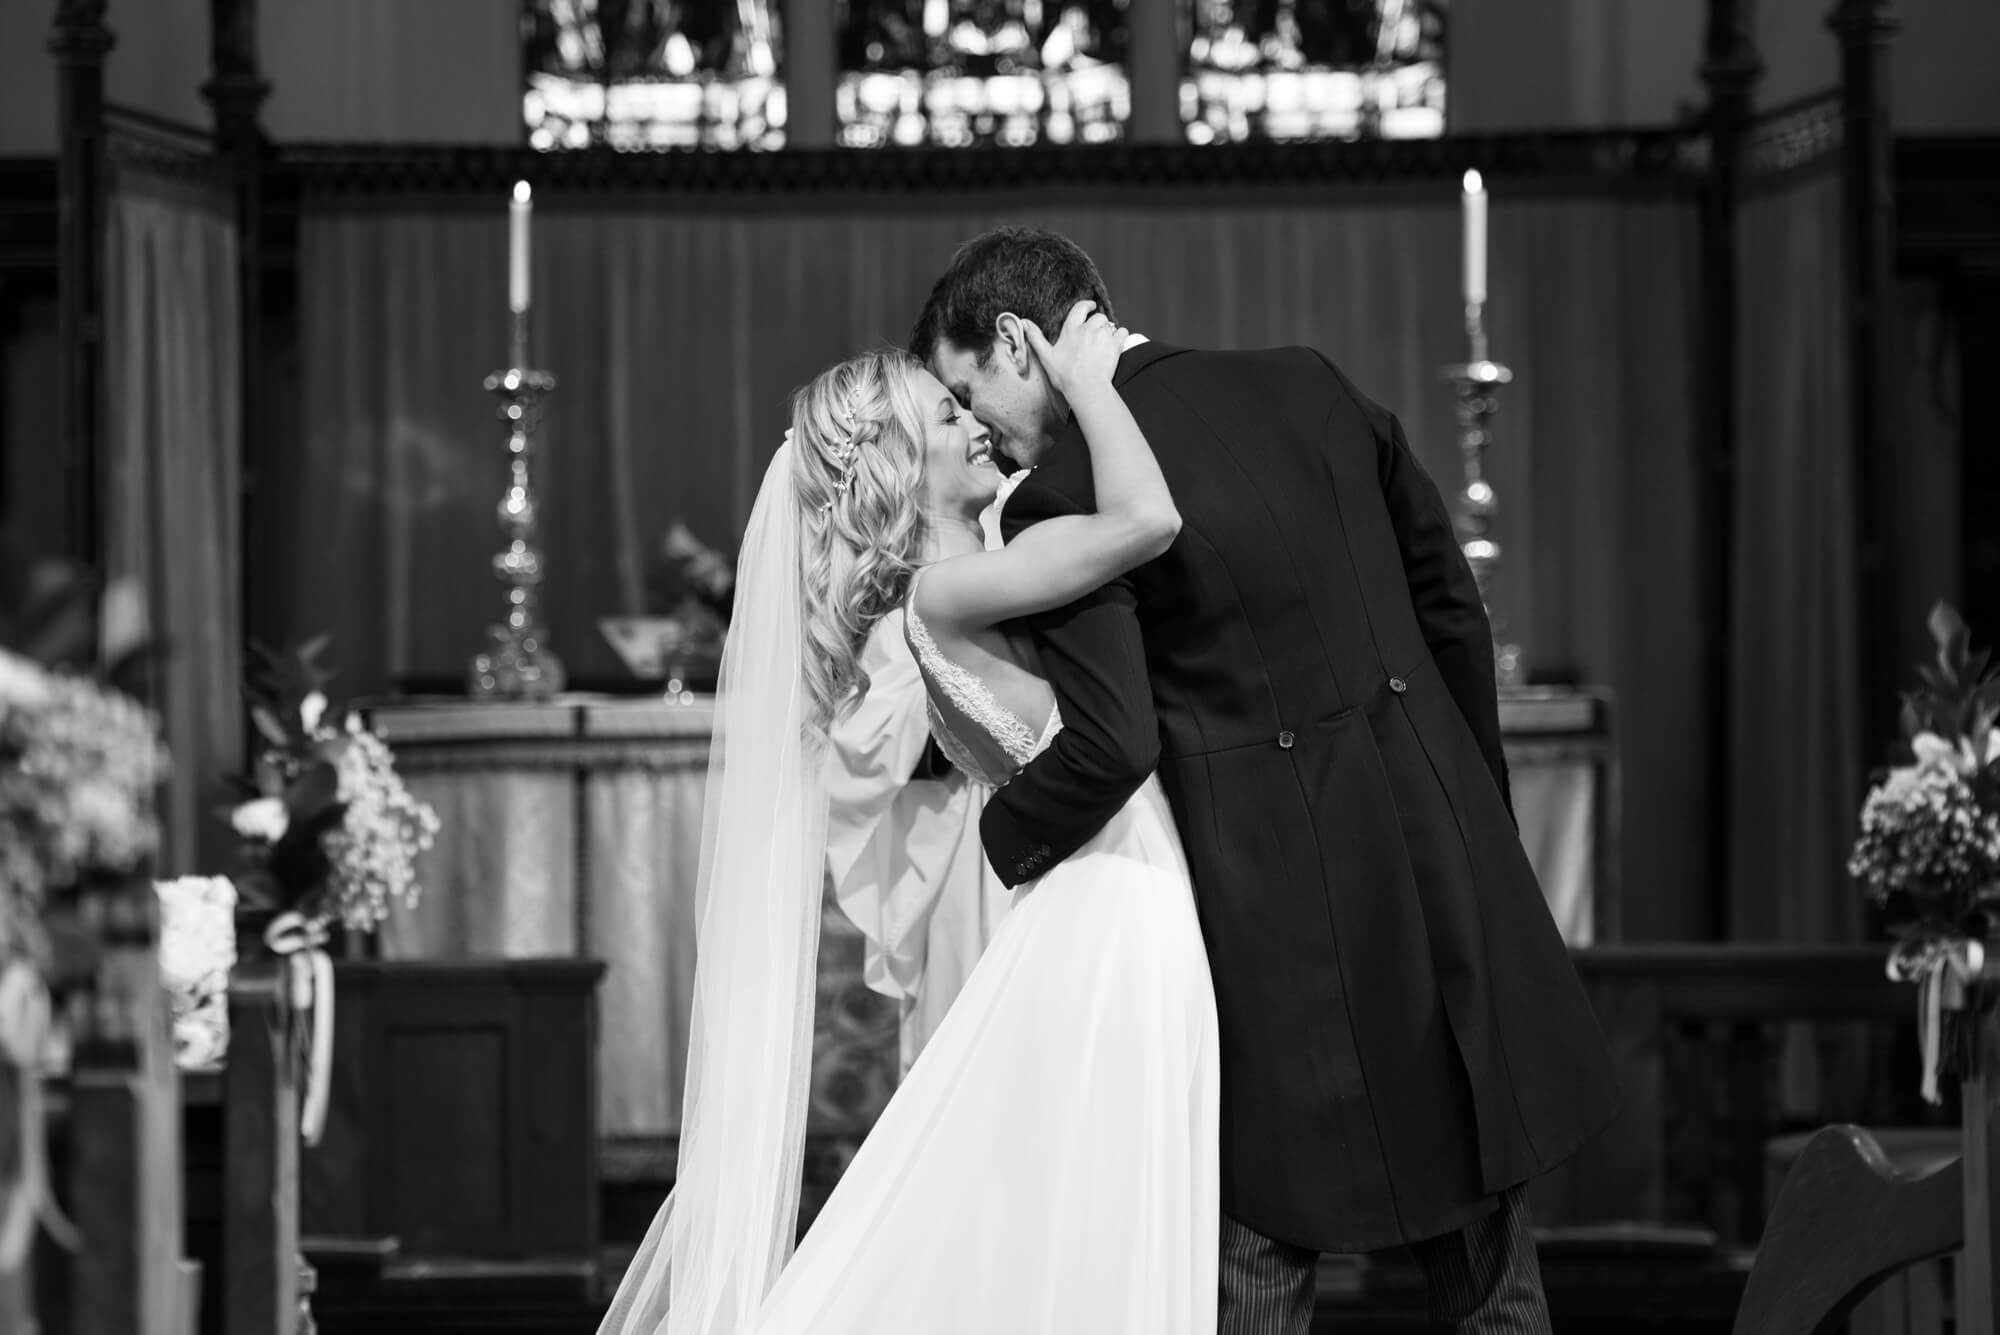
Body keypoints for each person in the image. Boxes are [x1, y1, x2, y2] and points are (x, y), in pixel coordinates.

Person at [913, 226, 1621, 1335]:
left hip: (1268, 919)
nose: (984, 439)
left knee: (1252, 1255)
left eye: (968, 395)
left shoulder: (1067, 496)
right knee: (1483, 1257)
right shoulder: (1308, 381)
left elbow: (1115, 741)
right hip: (1431, 865)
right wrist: (1464, 806)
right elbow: (1450, 611)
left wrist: (998, 846)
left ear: (1014, 341)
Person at [598, 306, 1221, 1335]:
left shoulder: (969, 575)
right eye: (948, 415)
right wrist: (1091, 379)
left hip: (1101, 901)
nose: (978, 420)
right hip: (1092, 909)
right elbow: (1146, 524)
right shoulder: (943, 595)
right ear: (898, 461)